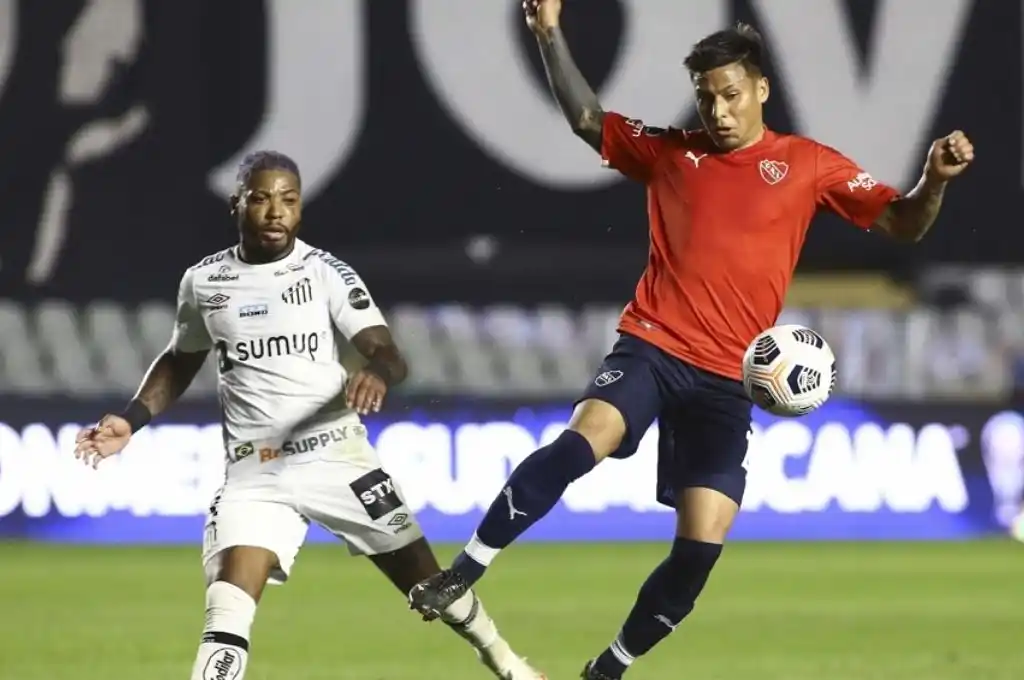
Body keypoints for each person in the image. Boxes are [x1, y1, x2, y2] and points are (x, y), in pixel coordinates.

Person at [407, 2, 976, 679]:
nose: (719, 111)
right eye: (707, 98)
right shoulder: (673, 154)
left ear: (761, 89)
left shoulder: (808, 164)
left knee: (701, 547)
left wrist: (933, 181)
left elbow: (902, 224)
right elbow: (589, 120)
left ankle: (609, 669)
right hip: (653, 346)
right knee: (581, 442)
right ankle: (463, 571)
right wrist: (549, 35)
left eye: (731, 95)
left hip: (730, 378)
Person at [73, 150, 545, 680]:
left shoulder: (325, 274)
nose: (276, 211)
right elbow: (181, 358)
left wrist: (377, 373)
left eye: (289, 200)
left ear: (300, 210)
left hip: (338, 459)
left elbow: (389, 353)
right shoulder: (204, 282)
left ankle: (504, 661)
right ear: (237, 204)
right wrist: (132, 419)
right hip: (257, 471)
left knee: (429, 587)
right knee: (227, 604)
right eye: (261, 198)